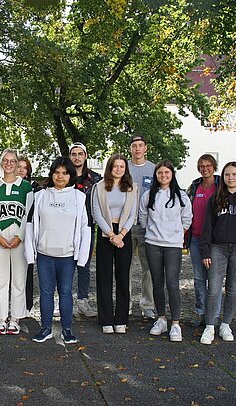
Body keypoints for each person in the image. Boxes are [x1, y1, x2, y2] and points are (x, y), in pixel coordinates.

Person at [25, 157, 91, 344]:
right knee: (46, 292)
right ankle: (45, 328)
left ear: (70, 176)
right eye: (57, 172)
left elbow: (86, 228)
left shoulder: (79, 197)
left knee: (65, 292)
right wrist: (31, 253)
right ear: (51, 174)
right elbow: (30, 224)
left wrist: (82, 257)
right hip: (45, 254)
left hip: (67, 255)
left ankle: (67, 329)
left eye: (64, 173)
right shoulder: (40, 196)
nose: (60, 176)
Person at [199, 162, 236, 345]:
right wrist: (205, 251)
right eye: (227, 175)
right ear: (222, 177)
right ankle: (210, 326)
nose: (230, 178)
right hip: (218, 248)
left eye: (234, 174)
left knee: (233, 290)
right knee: (214, 289)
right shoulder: (216, 199)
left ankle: (226, 324)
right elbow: (207, 226)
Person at [139, 160, 192, 342]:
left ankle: (175, 323)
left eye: (166, 173)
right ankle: (161, 319)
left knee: (172, 283)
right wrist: (153, 232)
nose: (163, 176)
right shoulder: (148, 195)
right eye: (160, 173)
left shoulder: (181, 196)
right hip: (153, 243)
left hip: (173, 245)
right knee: (157, 282)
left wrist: (176, 233)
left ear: (172, 175)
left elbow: (187, 218)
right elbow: (143, 216)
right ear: (156, 175)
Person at [0, 149, 34, 335]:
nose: (8, 164)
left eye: (12, 161)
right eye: (5, 161)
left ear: (16, 164)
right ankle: (0, 317)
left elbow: (28, 214)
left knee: (19, 280)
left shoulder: (26, 187)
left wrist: (19, 236)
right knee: (0, 279)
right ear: (1, 163)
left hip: (18, 237)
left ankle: (15, 317)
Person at [92, 154, 138, 334]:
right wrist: (112, 235)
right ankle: (105, 319)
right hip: (105, 232)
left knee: (122, 276)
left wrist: (121, 235)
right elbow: (96, 213)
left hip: (124, 233)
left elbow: (133, 214)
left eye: (122, 166)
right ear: (110, 168)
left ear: (125, 169)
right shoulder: (99, 187)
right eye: (115, 166)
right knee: (104, 277)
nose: (118, 169)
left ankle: (121, 319)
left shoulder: (132, 188)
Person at [186, 154, 222, 328]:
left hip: (216, 240)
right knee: (199, 278)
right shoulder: (194, 187)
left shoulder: (221, 185)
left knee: (214, 278)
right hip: (196, 238)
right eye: (201, 166)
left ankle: (214, 315)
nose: (205, 168)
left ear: (214, 167)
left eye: (208, 165)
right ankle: (201, 312)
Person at [68, 142, 101, 318]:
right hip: (66, 228)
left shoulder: (95, 179)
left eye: (80, 154)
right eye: (74, 154)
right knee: (66, 265)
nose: (77, 157)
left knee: (84, 265)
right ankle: (65, 301)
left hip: (87, 228)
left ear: (86, 156)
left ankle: (82, 300)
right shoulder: (64, 175)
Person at [127, 135, 157, 320]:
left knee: (149, 268)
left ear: (146, 148)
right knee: (126, 267)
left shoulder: (154, 169)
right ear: (130, 149)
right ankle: (126, 303)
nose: (137, 149)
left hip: (147, 227)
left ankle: (147, 304)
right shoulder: (124, 168)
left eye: (140, 146)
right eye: (134, 146)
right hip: (127, 227)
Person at [17, 156, 42, 314]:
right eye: (18, 166)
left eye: (24, 168)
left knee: (27, 269)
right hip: (9, 231)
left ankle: (26, 306)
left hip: (28, 232)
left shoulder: (35, 188)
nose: (20, 170)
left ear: (28, 171)